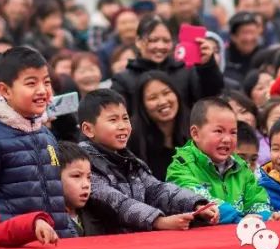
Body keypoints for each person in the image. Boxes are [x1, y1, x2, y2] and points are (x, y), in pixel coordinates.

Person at [0, 47, 73, 237]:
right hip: (14, 247)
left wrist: (69, 237)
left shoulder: (46, 134)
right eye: (31, 83)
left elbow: (57, 201)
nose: (42, 91)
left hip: (54, 245)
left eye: (46, 82)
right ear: (5, 90)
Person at [78, 89, 215, 233]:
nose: (123, 126)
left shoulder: (131, 161)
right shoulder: (83, 162)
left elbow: (157, 190)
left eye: (125, 118)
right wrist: (158, 221)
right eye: (113, 120)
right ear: (88, 129)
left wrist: (197, 205)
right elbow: (115, 202)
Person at [166, 98, 274, 223]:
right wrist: (240, 220)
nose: (227, 139)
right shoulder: (181, 166)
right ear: (195, 133)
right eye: (219, 131)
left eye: (233, 132)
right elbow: (199, 199)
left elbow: (257, 200)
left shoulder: (241, 167)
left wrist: (266, 217)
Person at [111, 15, 223, 116]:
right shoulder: (123, 80)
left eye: (166, 41)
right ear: (138, 42)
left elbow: (210, 96)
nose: (160, 46)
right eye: (153, 40)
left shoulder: (185, 70)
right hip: (141, 138)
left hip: (185, 138)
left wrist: (208, 64)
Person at [127, 71, 188, 180]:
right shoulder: (133, 138)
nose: (163, 101)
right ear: (142, 105)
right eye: (153, 98)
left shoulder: (193, 129)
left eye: (166, 93)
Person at [223, 11, 262, 89]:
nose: (249, 38)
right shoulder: (223, 59)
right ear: (233, 36)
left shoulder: (264, 59)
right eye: (244, 33)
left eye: (252, 32)